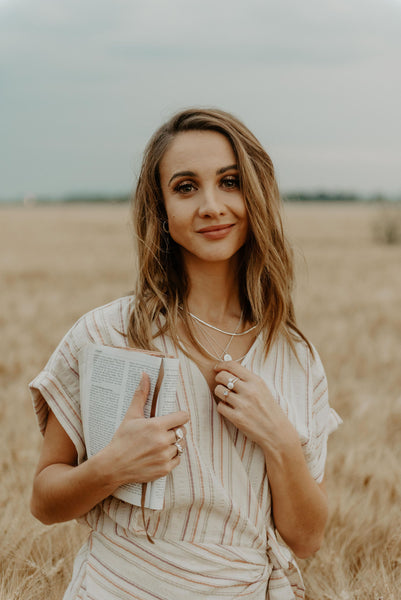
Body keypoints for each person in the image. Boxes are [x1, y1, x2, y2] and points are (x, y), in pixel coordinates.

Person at [29, 108, 341, 599]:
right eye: (186, 187)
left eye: (230, 181)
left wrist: (278, 438)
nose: (212, 206)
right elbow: (45, 500)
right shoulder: (108, 333)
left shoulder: (295, 357)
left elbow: (307, 538)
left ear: (255, 194)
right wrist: (113, 467)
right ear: (161, 210)